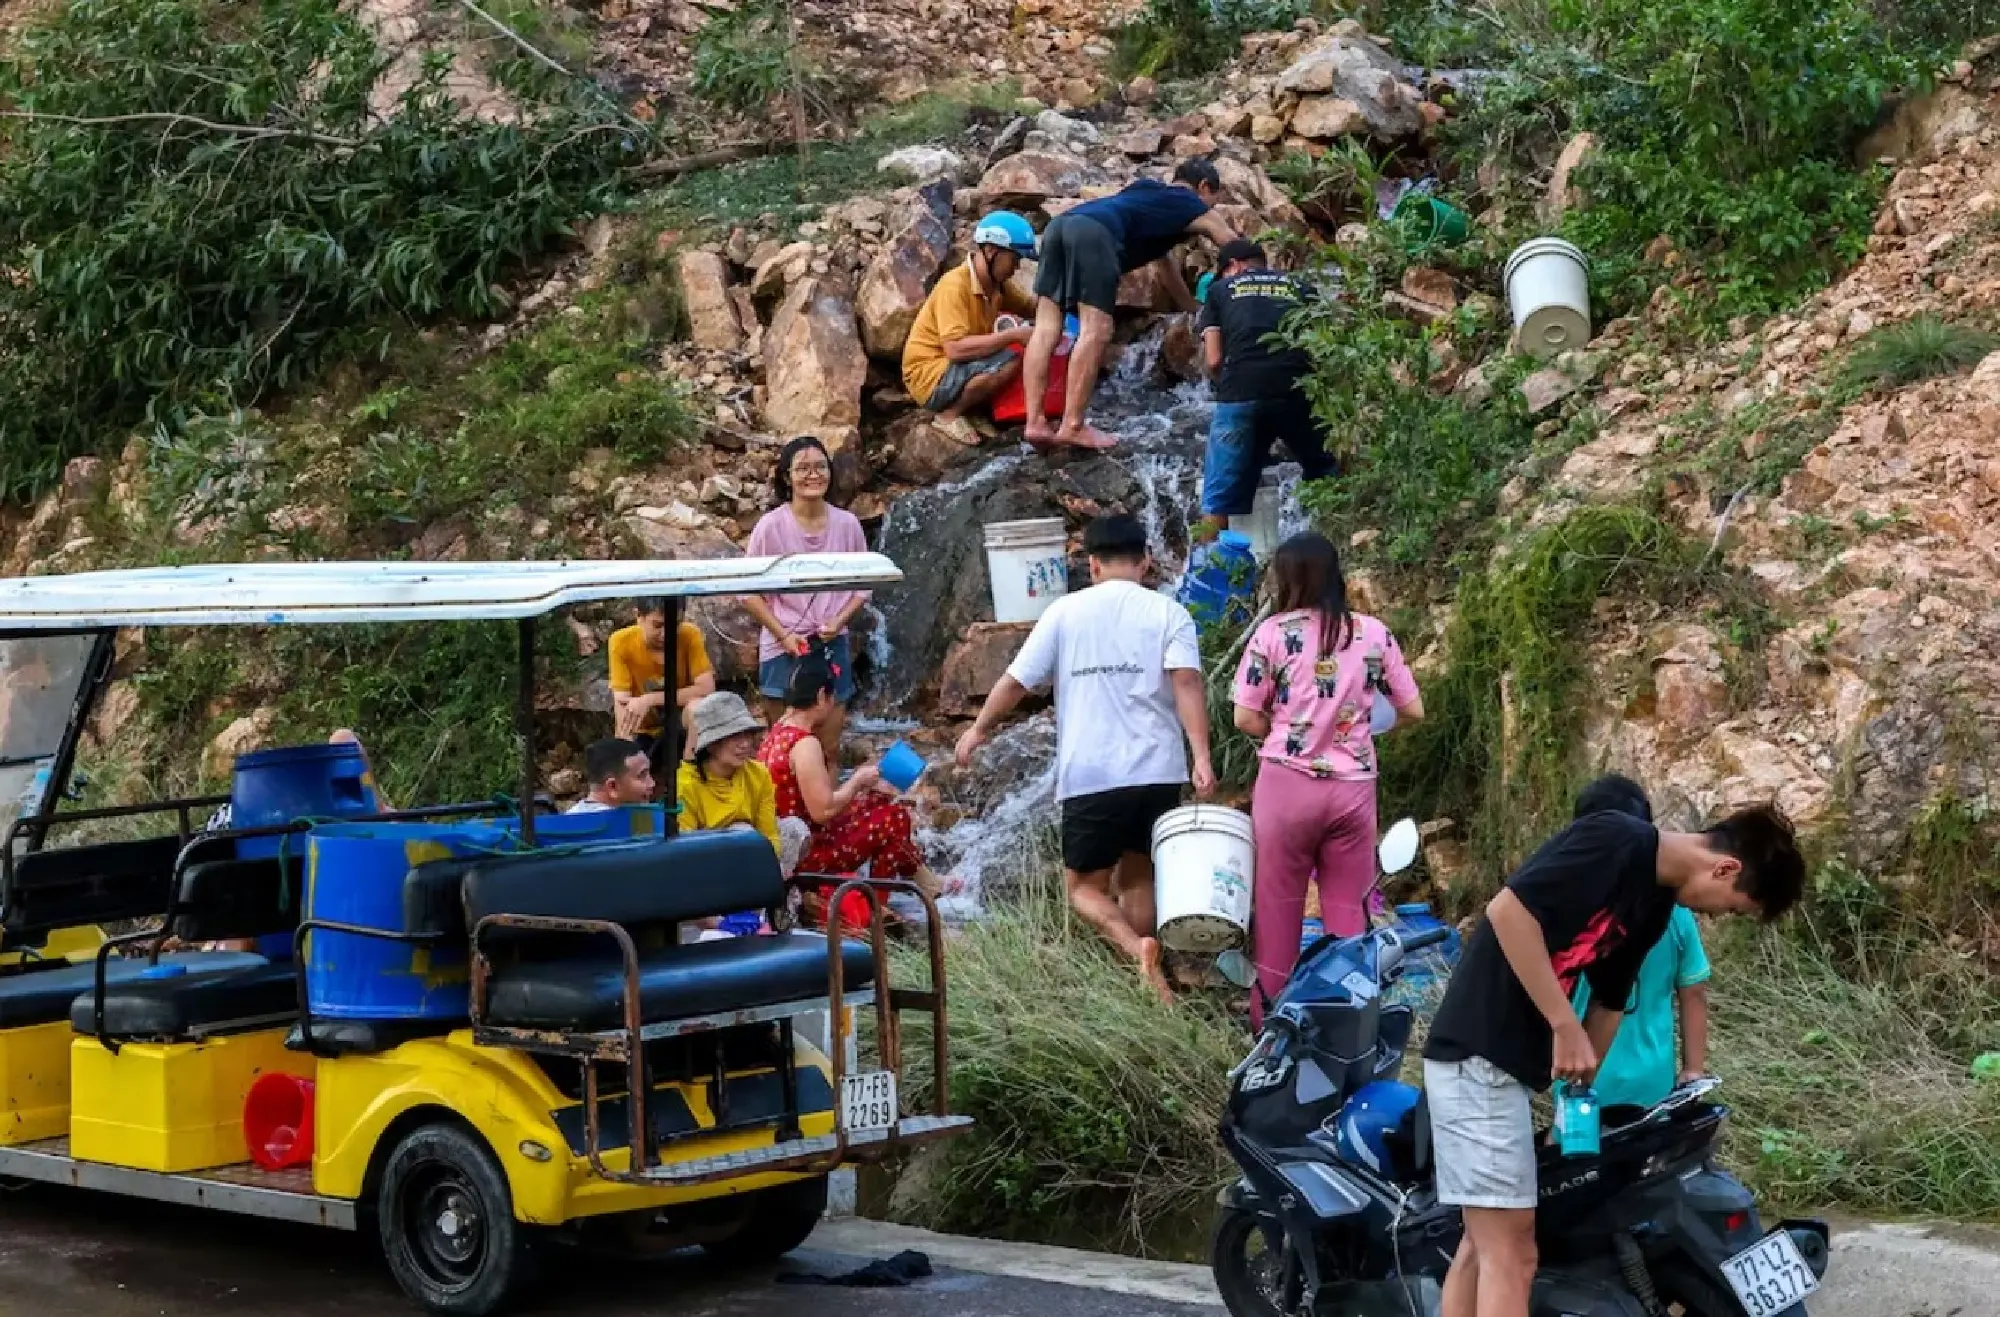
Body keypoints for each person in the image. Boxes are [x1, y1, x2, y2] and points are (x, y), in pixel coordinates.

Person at [1422, 802, 1806, 1317]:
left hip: (1505, 1070)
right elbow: (1507, 912)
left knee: (1480, 1248)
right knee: (1512, 1254)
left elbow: (1609, 1000)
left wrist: (1578, 1099)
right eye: (1732, 907)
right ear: (1725, 868)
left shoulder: (1655, 906)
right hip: (1476, 1050)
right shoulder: (1615, 840)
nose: (1716, 916)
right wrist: (1562, 1024)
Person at [954, 514, 1215, 1000]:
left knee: (1082, 890)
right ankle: (1146, 980)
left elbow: (1015, 682)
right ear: (1146, 561)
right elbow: (1187, 684)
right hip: (1158, 770)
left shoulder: (1064, 612)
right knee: (1140, 877)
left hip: (1093, 773)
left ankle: (1134, 950)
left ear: (1092, 564)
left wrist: (978, 729)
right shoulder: (1169, 612)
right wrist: (1200, 757)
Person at [1231, 533, 1422, 1024]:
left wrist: (1286, 727)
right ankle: (1352, 1025)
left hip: (1285, 787)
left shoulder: (1273, 633)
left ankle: (1271, 1028)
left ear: (1287, 578)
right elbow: (1412, 709)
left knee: (1277, 912)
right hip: (1352, 790)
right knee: (1347, 912)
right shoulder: (1373, 633)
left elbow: (1244, 718)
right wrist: (1364, 726)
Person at [1022, 160, 1239, 451]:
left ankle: (1035, 422)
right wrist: (1259, 277)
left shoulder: (1147, 196)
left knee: (1046, 327)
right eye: (1214, 200)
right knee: (1096, 329)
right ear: (1203, 187)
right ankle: (1073, 425)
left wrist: (1192, 309)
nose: (1211, 209)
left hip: (1060, 227)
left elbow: (1165, 268)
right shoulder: (1189, 201)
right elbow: (1231, 243)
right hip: (1094, 235)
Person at [758, 656, 948, 924]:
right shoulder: (805, 744)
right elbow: (822, 811)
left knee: (876, 802)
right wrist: (857, 780)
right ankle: (875, 907)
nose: (834, 705)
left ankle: (924, 882)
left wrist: (862, 790)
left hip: (789, 845)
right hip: (806, 856)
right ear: (822, 695)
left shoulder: (777, 733)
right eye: (832, 697)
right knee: (895, 818)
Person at [1568, 774, 1711, 1110]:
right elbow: (1694, 993)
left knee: (1578, 1156)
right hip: (1653, 1083)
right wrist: (1693, 1070)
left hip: (1582, 1077)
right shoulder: (1675, 911)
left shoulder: (1573, 906)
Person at [1197, 240, 1337, 540]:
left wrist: (1224, 383)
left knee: (1218, 496)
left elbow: (1214, 359)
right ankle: (1334, 548)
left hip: (1241, 392)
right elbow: (1322, 349)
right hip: (1297, 390)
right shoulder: (1301, 286)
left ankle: (1208, 572)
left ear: (1232, 266)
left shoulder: (1220, 290)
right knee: (1326, 473)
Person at [741, 437, 870, 763]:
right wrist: (783, 635)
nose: (813, 475)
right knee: (781, 746)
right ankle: (780, 813)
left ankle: (823, 812)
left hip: (831, 639)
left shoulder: (848, 524)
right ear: (787, 477)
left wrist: (839, 621)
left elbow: (864, 584)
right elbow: (747, 591)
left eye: (820, 467)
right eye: (802, 468)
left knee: (828, 748)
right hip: (784, 640)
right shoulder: (769, 528)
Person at [903, 211, 1040, 447]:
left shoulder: (997, 285)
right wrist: (1012, 335)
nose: (1017, 267)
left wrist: (1062, 301)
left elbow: (1030, 307)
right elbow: (955, 349)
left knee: (1010, 353)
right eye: (1015, 258)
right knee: (1010, 360)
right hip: (928, 375)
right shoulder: (955, 286)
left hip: (951, 367)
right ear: (990, 251)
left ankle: (969, 407)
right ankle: (948, 415)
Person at [678, 691, 780, 937]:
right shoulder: (685, 784)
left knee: (794, 829)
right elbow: (683, 850)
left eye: (746, 735)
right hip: (705, 866)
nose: (745, 744)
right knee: (741, 834)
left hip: (752, 860)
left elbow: (770, 835)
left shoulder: (758, 775)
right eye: (734, 737)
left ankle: (763, 911)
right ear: (712, 744)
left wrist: (768, 876)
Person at [607, 598, 715, 774]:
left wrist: (650, 699)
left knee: (697, 707)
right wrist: (624, 750)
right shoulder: (621, 641)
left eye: (675, 625)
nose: (666, 634)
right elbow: (622, 701)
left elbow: (706, 689)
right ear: (639, 617)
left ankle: (691, 770)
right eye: (657, 626)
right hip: (643, 726)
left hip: (683, 722)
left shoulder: (690, 635)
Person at [569, 738, 655, 813]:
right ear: (612, 786)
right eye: (642, 775)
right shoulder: (623, 826)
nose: (652, 783)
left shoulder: (569, 818)